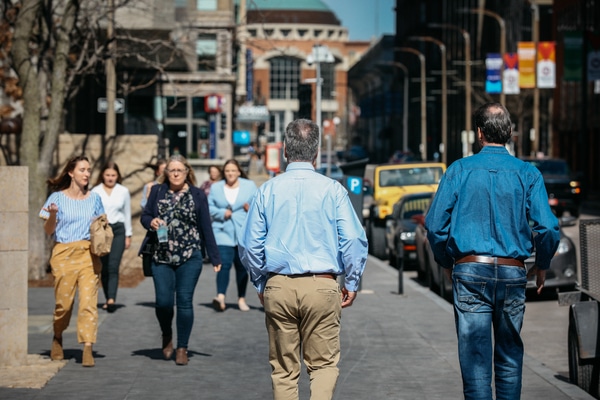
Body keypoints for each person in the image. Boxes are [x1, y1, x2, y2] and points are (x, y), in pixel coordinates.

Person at [425, 103, 561, 400]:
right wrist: (542, 264)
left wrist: (446, 260)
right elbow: (548, 228)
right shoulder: (528, 173)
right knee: (509, 357)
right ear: (510, 133)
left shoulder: (459, 170)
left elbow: (435, 226)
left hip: (470, 271)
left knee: (475, 361)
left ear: (479, 133)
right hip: (513, 272)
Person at [239, 119, 368, 400]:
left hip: (279, 285)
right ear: (317, 152)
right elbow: (354, 240)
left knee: (284, 371)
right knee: (323, 365)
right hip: (322, 285)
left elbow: (249, 245)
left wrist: (261, 282)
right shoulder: (332, 190)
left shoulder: (267, 190)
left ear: (285, 150)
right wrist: (353, 281)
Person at [141, 154, 222, 366]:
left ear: (187, 172)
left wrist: (214, 257)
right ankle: (166, 333)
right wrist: (152, 221)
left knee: (184, 301)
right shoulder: (157, 191)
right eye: (172, 170)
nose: (176, 174)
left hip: (190, 254)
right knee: (163, 303)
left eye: (180, 170)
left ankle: (182, 347)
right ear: (165, 173)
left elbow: (206, 226)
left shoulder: (197, 195)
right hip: (162, 255)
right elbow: (145, 216)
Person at [39, 155, 105, 367]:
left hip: (88, 254)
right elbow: (49, 231)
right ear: (71, 172)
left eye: (88, 170)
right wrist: (52, 216)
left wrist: (101, 226)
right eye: (82, 170)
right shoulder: (56, 198)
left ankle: (87, 347)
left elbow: (102, 225)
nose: (87, 174)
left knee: (88, 303)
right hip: (63, 254)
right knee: (63, 305)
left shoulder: (94, 198)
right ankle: (58, 335)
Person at [208, 159, 257, 312]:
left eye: (233, 170)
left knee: (242, 267)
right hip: (222, 231)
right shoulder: (216, 187)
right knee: (223, 264)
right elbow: (209, 207)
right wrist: (222, 213)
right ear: (224, 172)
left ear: (238, 171)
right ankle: (220, 296)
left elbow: (258, 203)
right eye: (227, 171)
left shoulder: (249, 186)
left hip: (243, 232)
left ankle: (241, 298)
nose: (230, 173)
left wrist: (251, 208)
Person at [92, 161, 132, 313]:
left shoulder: (123, 191)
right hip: (102, 231)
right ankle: (107, 295)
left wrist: (128, 235)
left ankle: (112, 299)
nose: (110, 178)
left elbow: (127, 213)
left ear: (118, 176)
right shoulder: (95, 191)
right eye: (108, 175)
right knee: (104, 266)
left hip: (118, 230)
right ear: (103, 175)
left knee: (113, 265)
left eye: (113, 175)